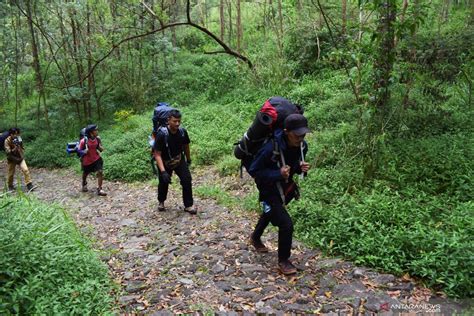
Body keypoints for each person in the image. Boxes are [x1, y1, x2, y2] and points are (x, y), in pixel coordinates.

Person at [248, 114, 311, 275]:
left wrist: (299, 168)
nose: (300, 138)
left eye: (303, 134)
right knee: (286, 224)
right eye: (297, 135)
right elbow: (254, 170)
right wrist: (277, 173)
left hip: (285, 188)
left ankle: (255, 237)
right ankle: (283, 260)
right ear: (286, 131)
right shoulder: (270, 148)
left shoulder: (302, 147)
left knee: (270, 212)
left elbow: (293, 166)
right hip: (268, 188)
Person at [153, 109, 196, 214]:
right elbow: (157, 154)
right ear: (168, 120)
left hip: (178, 159)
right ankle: (161, 202)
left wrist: (188, 159)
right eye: (174, 121)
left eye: (179, 121)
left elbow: (186, 146)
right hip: (164, 161)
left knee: (186, 179)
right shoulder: (161, 135)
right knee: (163, 182)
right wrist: (163, 172)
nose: (177, 123)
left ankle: (188, 205)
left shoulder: (182, 132)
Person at [79, 124, 107, 196]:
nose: (97, 131)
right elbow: (79, 151)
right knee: (85, 173)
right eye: (95, 130)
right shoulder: (83, 141)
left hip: (96, 159)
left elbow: (99, 148)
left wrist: (101, 148)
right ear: (91, 132)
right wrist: (84, 151)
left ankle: (99, 189)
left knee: (100, 171)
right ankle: (84, 183)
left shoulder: (97, 139)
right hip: (87, 161)